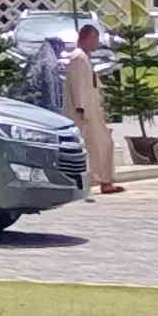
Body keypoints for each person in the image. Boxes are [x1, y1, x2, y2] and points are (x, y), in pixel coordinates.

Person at [62, 19, 123, 196]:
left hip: (91, 111)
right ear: (88, 38)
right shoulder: (79, 57)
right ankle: (103, 181)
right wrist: (82, 109)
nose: (97, 43)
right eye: (95, 39)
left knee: (101, 146)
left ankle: (104, 181)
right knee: (101, 145)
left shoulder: (83, 57)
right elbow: (78, 86)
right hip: (85, 114)